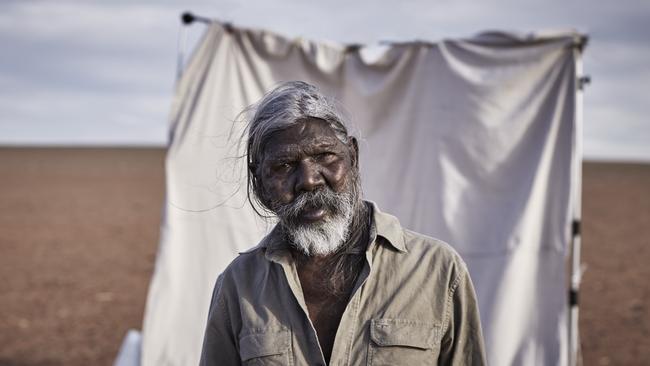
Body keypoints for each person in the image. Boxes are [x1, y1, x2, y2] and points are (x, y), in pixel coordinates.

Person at [199, 81, 487, 365]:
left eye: (325, 156)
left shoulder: (437, 270)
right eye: (284, 166)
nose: (309, 181)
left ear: (353, 156)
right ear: (260, 180)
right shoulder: (238, 286)